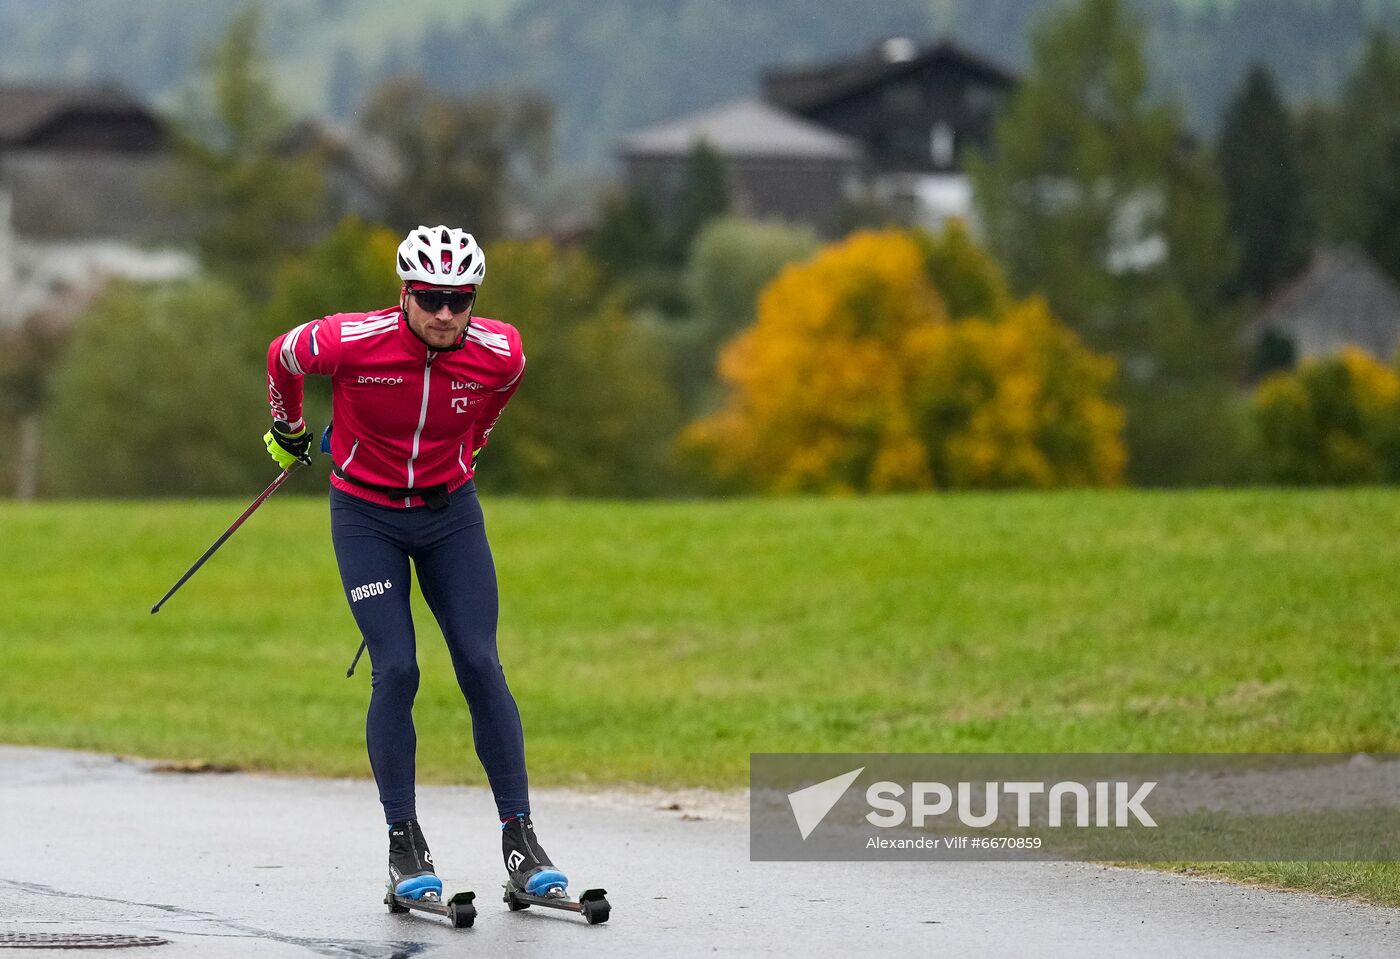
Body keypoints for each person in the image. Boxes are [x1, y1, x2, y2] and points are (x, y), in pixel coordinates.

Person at [262, 225, 568, 902]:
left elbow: (486, 414)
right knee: (397, 667)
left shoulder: (504, 352)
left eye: (459, 299)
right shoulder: (348, 339)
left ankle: (521, 839)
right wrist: (288, 430)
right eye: (430, 297)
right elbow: (281, 355)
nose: (444, 313)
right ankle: (405, 844)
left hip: (449, 513)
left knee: (481, 662)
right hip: (365, 514)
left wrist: (466, 451)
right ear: (405, 292)